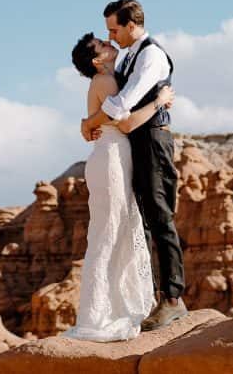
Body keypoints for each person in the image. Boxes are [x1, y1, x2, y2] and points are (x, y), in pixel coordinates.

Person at [80, 0, 188, 331]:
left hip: (152, 139)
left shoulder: (151, 55)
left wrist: (89, 122)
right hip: (134, 144)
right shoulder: (129, 55)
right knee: (140, 219)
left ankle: (172, 299)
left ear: (131, 24)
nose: (110, 35)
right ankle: (149, 297)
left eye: (114, 29)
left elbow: (122, 105)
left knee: (159, 214)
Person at [63, 32, 174, 341]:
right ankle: (103, 315)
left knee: (113, 230)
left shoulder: (108, 79)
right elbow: (125, 124)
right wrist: (159, 102)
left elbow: (95, 121)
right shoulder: (106, 83)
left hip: (110, 157)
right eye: (102, 44)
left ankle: (111, 308)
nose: (108, 42)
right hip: (112, 158)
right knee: (112, 231)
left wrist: (87, 124)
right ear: (98, 60)